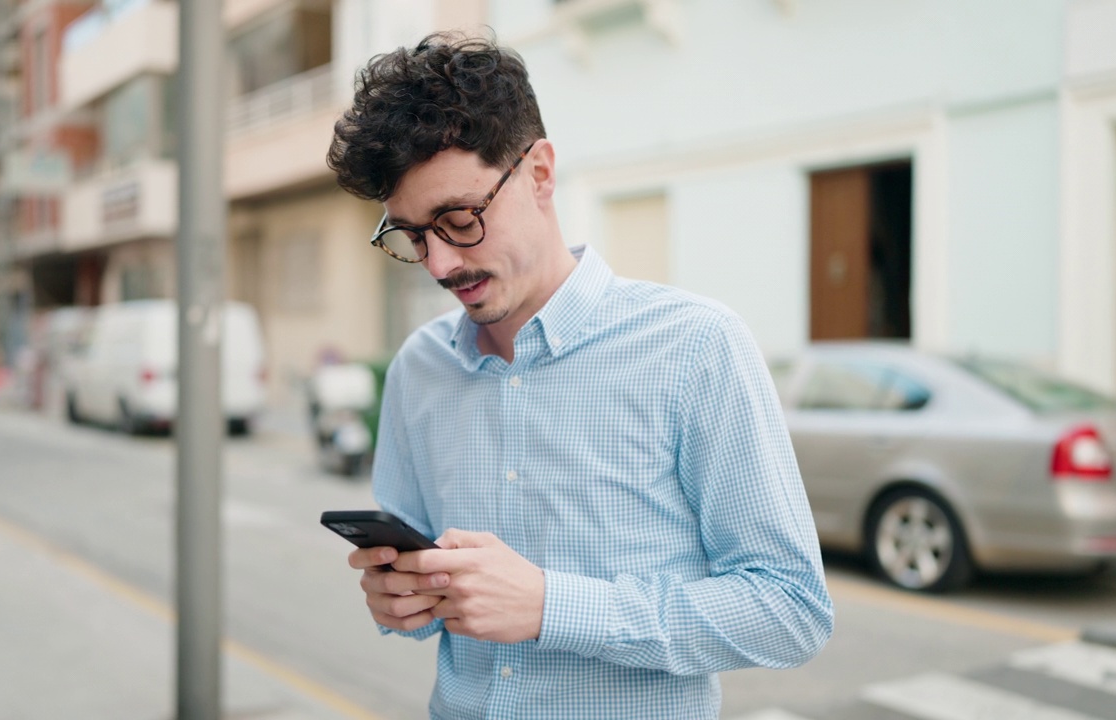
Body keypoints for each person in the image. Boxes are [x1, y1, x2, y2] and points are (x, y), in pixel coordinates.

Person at [325, 33, 833, 719]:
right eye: (415, 237)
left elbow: (790, 608)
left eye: (459, 220)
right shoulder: (419, 369)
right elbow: (416, 593)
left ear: (539, 173)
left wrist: (553, 607)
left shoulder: (695, 348)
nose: (441, 265)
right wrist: (401, 603)